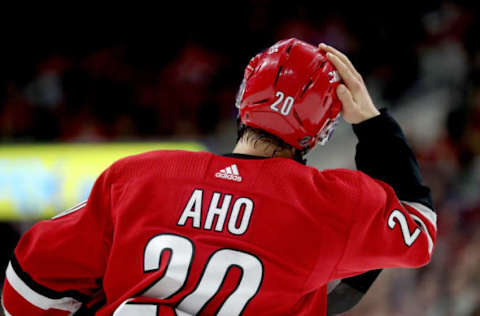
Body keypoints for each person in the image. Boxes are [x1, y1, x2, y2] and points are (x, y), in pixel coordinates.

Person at [2, 39, 436, 316]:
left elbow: (29, 282)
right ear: (323, 129)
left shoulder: (140, 176)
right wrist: (373, 124)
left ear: (243, 99)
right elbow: (419, 228)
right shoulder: (328, 204)